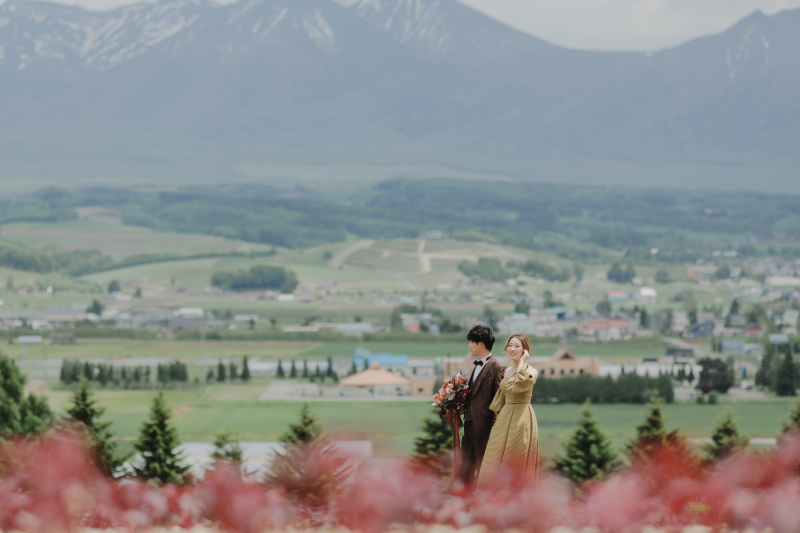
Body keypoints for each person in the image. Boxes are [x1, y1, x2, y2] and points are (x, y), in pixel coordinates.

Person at [477, 333, 539, 486]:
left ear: (525, 349)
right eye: (510, 345)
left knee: (516, 456)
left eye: (517, 346)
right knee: (494, 456)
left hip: (522, 418)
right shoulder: (506, 371)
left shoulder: (532, 371)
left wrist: (523, 363)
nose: (512, 349)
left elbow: (517, 387)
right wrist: (494, 424)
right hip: (504, 417)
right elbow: (501, 399)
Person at [454, 324, 506, 485]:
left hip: (485, 430)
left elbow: (500, 401)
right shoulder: (475, 367)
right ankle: (463, 507)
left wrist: (494, 430)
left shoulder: (497, 367)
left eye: (471, 341)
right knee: (464, 471)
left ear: (481, 344)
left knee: (483, 472)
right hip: (468, 428)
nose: (469, 345)